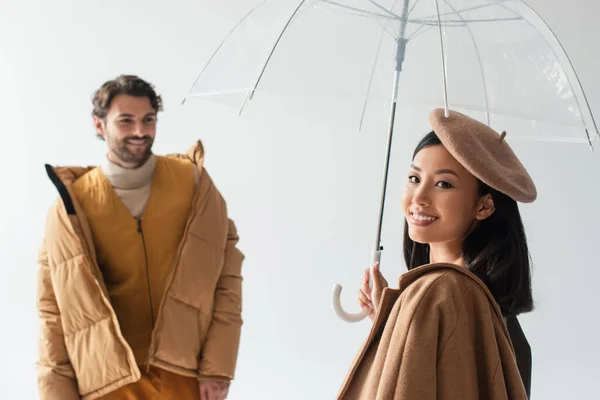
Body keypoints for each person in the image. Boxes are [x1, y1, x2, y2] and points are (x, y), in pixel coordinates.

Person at [36, 75, 244, 400]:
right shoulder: (71, 206)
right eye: (126, 121)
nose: (139, 132)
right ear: (99, 124)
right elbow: (53, 314)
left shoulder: (194, 185)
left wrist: (218, 367)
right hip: (107, 384)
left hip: (183, 375)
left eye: (149, 120)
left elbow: (227, 280)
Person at [338, 109, 534, 399]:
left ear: (485, 206)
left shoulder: (439, 291)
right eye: (414, 178)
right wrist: (394, 319)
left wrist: (409, 315)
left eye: (443, 184)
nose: (418, 198)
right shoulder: (478, 299)